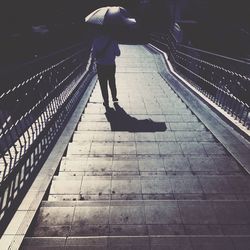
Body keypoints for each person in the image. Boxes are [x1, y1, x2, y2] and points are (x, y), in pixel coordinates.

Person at [91, 27, 120, 108]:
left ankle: (106, 101)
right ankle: (114, 98)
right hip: (111, 65)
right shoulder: (113, 41)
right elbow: (118, 53)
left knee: (103, 84)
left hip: (100, 66)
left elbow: (93, 55)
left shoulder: (96, 40)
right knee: (112, 81)